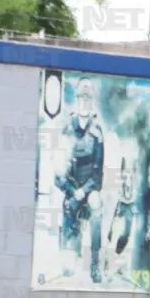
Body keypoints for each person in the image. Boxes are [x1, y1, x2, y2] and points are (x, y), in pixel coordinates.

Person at [56, 78, 106, 283]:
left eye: (88, 97)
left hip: (89, 189)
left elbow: (98, 173)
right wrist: (71, 190)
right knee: (69, 208)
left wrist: (83, 191)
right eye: (81, 97)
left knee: (96, 206)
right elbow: (58, 174)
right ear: (76, 100)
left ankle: (95, 264)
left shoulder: (97, 132)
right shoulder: (67, 130)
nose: (84, 101)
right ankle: (70, 254)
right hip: (71, 189)